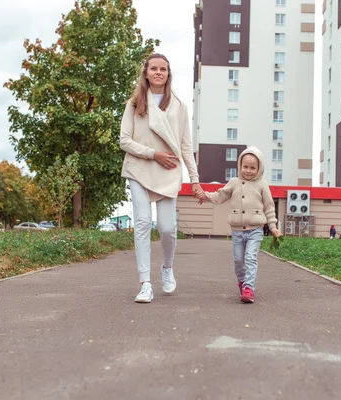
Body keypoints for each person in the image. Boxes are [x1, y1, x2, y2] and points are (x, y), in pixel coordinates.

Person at [120, 53, 204, 303]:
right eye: (153, 68)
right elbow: (124, 140)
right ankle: (145, 283)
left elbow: (186, 146)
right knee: (143, 223)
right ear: (145, 73)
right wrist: (153, 154)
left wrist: (195, 179)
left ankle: (167, 268)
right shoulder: (134, 104)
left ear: (168, 74)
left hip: (168, 171)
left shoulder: (179, 106)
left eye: (163, 69)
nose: (158, 72)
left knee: (167, 229)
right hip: (139, 168)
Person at [197, 147, 280, 303]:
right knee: (238, 260)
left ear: (259, 168)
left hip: (255, 229)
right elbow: (220, 195)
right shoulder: (234, 183)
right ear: (240, 166)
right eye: (245, 167)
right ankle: (242, 281)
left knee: (250, 258)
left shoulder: (262, 185)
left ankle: (249, 287)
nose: (248, 171)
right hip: (237, 231)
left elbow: (269, 207)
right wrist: (206, 195)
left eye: (252, 168)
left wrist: (273, 226)